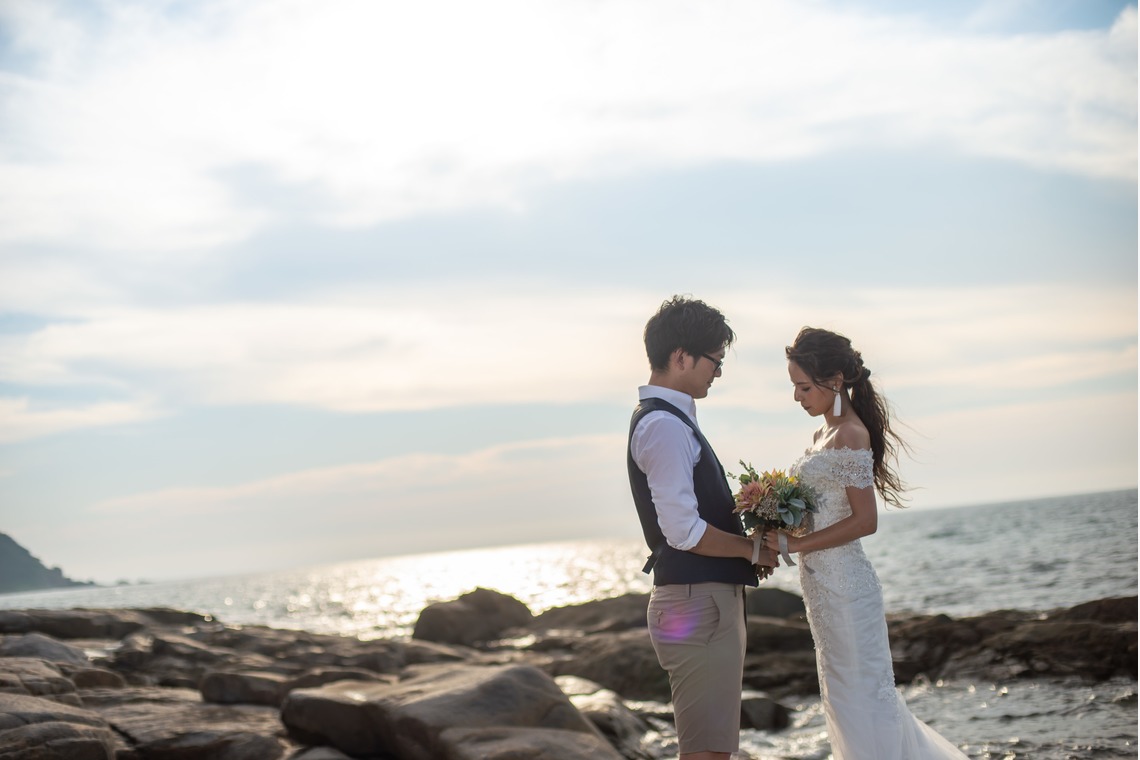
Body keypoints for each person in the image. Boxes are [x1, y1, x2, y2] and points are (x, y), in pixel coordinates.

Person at [763, 326, 969, 759]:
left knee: (864, 701)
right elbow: (819, 513)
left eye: (804, 387)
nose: (797, 397)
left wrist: (795, 546)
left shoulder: (851, 435)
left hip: (846, 589)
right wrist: (773, 524)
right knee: (842, 698)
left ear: (835, 381)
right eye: (794, 387)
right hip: (820, 590)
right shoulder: (821, 436)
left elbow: (865, 521)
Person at [627, 295, 779, 760]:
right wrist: (750, 549)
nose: (718, 372)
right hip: (697, 606)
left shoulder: (669, 420)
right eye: (715, 361)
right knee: (706, 754)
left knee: (712, 750)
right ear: (681, 357)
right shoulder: (664, 425)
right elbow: (683, 530)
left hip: (702, 602)